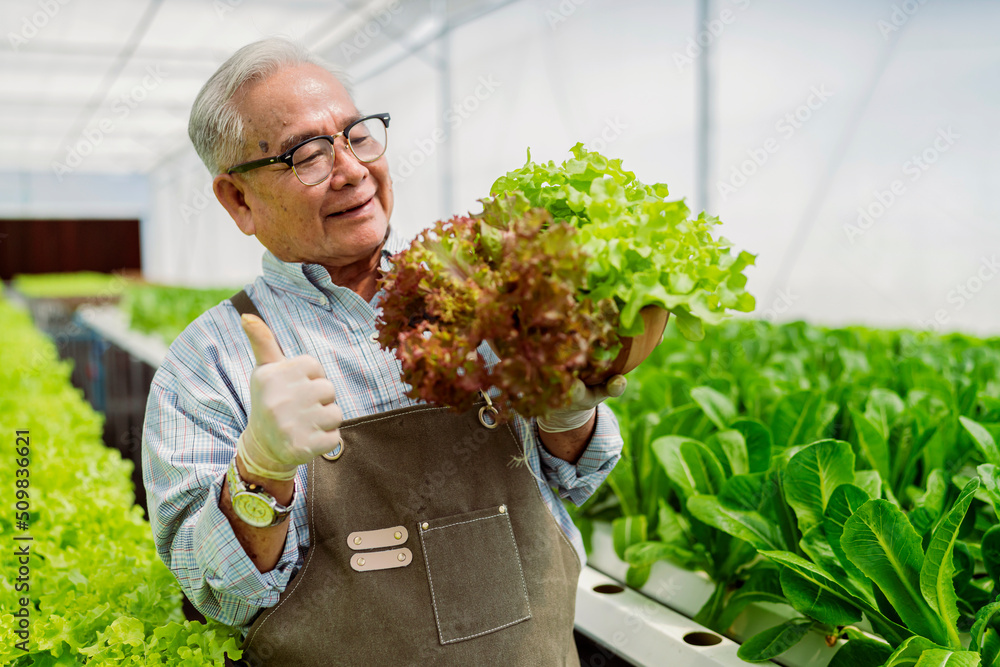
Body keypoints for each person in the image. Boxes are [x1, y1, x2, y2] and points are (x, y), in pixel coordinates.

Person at [142, 37, 625, 666]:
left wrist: (569, 415)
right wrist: (261, 473)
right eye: (308, 154)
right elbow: (216, 594)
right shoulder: (205, 364)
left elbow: (575, 479)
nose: (351, 170)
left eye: (358, 136)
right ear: (238, 200)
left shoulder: (486, 287)